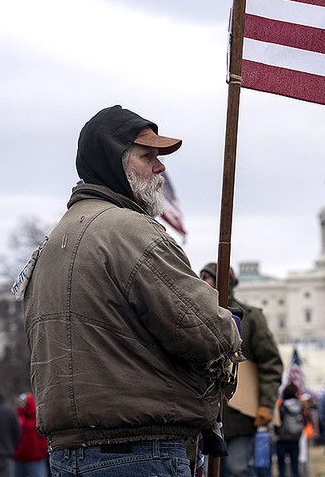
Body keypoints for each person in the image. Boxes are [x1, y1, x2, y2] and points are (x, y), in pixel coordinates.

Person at [17, 105, 243, 477]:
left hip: (66, 455)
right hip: (140, 452)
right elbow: (208, 333)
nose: (161, 167)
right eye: (147, 155)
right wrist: (231, 323)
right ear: (113, 160)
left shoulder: (51, 243)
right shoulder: (131, 231)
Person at [199, 262, 284, 477]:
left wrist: (266, 404)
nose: (202, 282)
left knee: (237, 470)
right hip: (204, 416)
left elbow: (270, 363)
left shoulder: (251, 318)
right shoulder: (194, 318)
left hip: (237, 416)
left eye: (208, 277)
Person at [13, 393, 49, 477]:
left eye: (23, 402)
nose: (21, 404)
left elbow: (43, 438)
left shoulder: (37, 418)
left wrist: (44, 453)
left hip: (35, 459)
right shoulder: (17, 416)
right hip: (19, 458)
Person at [274, 383, 305, 477]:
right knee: (295, 466)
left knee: (282, 468)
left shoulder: (282, 407)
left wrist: (276, 433)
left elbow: (277, 423)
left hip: (282, 439)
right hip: (295, 438)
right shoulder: (300, 406)